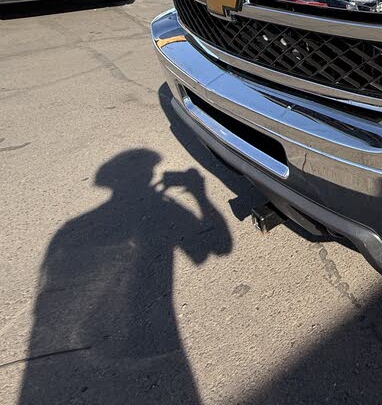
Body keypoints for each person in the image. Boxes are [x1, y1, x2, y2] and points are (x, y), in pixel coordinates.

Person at [18, 149, 231, 404]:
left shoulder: (68, 230)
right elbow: (219, 247)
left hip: (66, 362)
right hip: (152, 350)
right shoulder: (166, 211)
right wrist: (199, 193)